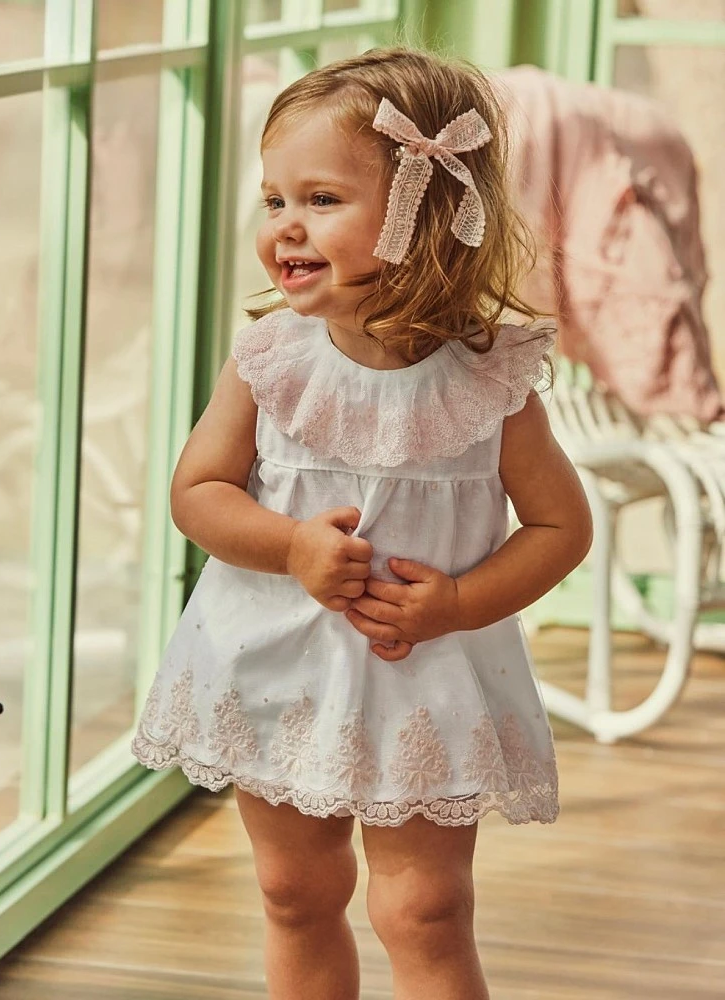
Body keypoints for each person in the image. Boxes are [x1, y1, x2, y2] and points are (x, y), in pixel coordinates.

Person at [131, 46, 593, 1000]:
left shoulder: (490, 381)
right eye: (274, 201)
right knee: (294, 890)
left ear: (421, 216)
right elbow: (198, 494)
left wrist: (460, 600)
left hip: (420, 674)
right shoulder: (269, 361)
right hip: (277, 662)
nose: (285, 227)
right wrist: (293, 545)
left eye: (320, 200)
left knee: (424, 910)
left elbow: (560, 529)